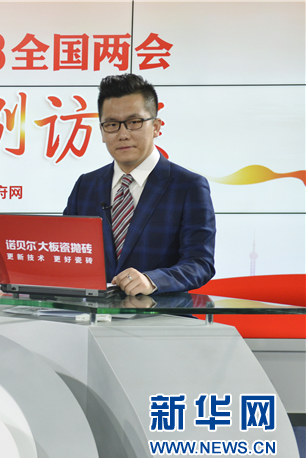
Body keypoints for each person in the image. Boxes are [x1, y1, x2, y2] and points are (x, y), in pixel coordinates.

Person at [63, 74, 215, 295]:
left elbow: (200, 263)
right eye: (112, 125)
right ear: (102, 132)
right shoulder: (85, 186)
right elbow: (67, 253)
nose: (123, 134)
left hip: (157, 313)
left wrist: (152, 281)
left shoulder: (189, 186)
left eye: (134, 123)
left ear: (156, 127)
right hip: (94, 313)